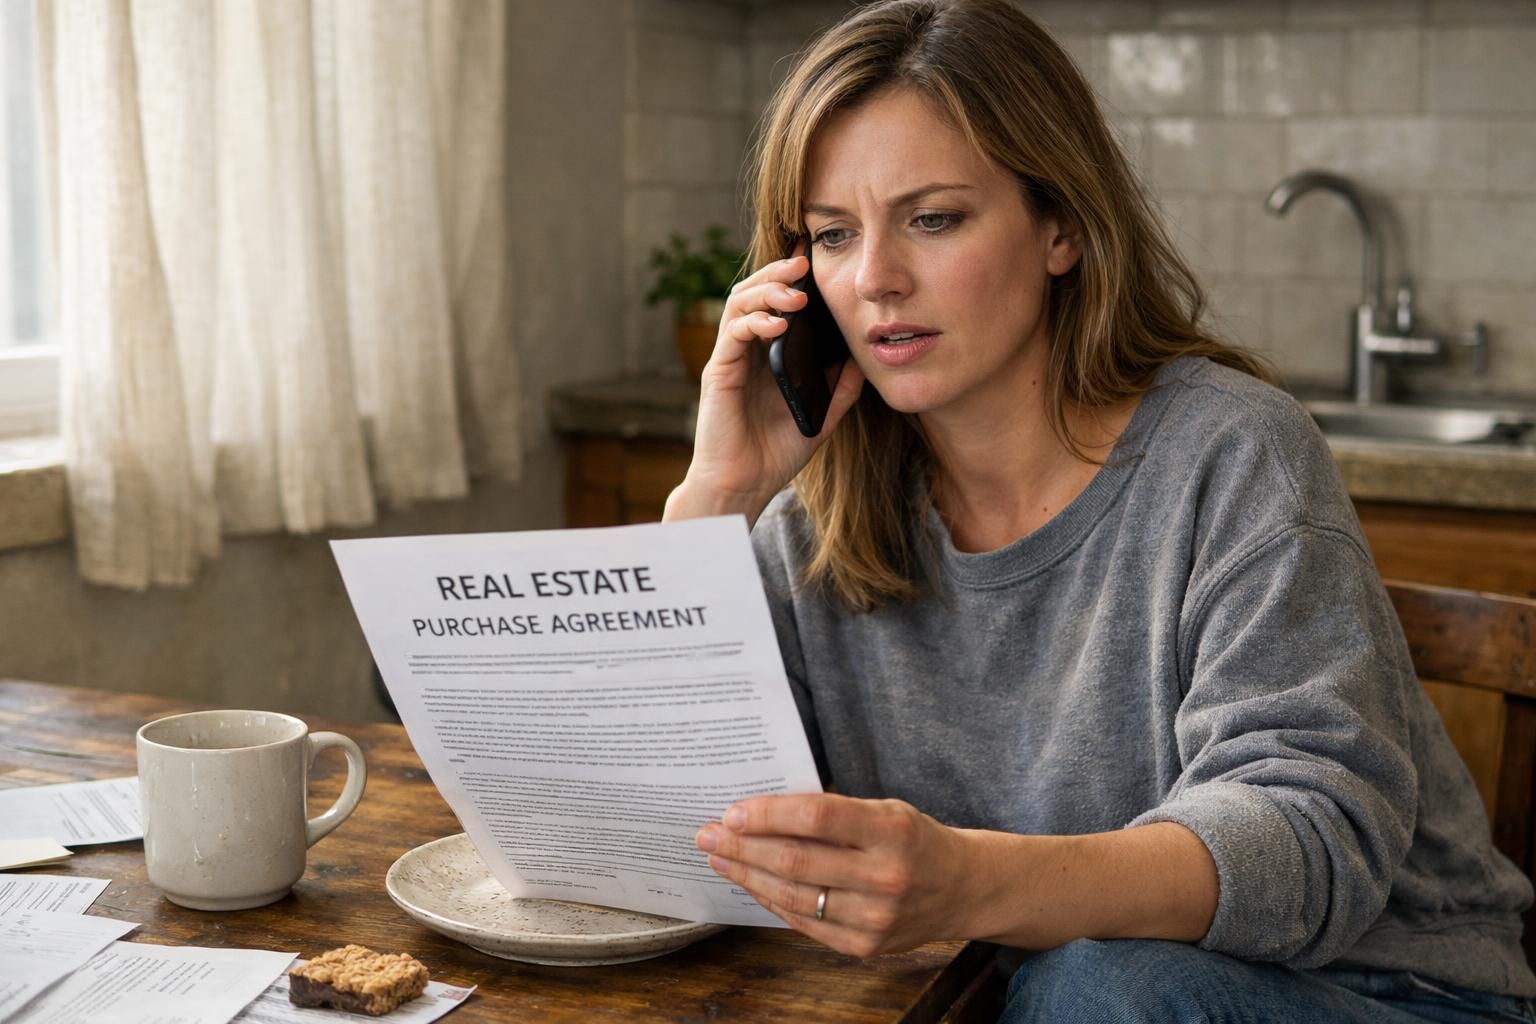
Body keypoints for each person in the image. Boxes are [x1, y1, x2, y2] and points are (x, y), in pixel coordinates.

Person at [662, 1, 1536, 1021]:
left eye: (933, 218)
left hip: (1383, 992)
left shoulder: (1231, 453)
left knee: (1097, 985)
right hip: (1045, 996)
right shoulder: (816, 513)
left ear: (1062, 227)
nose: (877, 280)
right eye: (832, 235)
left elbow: (1309, 843)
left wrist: (970, 879)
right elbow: (684, 820)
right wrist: (715, 495)